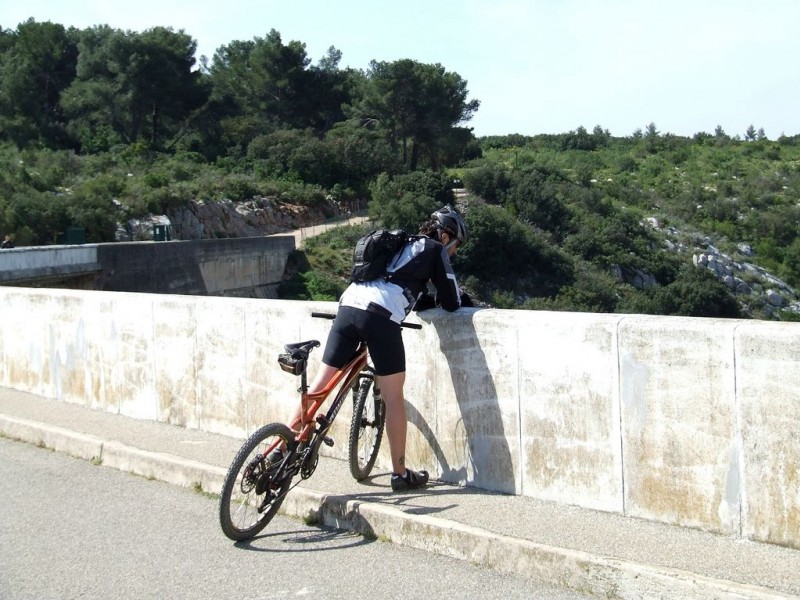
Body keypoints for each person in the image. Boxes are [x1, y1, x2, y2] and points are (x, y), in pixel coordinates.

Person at [302, 205, 470, 492]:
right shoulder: (433, 249)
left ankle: (283, 446)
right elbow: (452, 302)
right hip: (380, 318)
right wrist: (462, 298)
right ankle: (400, 473)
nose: (453, 252)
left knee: (319, 386)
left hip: (348, 306)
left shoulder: (398, 244)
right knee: (393, 397)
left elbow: (402, 287)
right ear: (445, 236)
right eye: (455, 245)